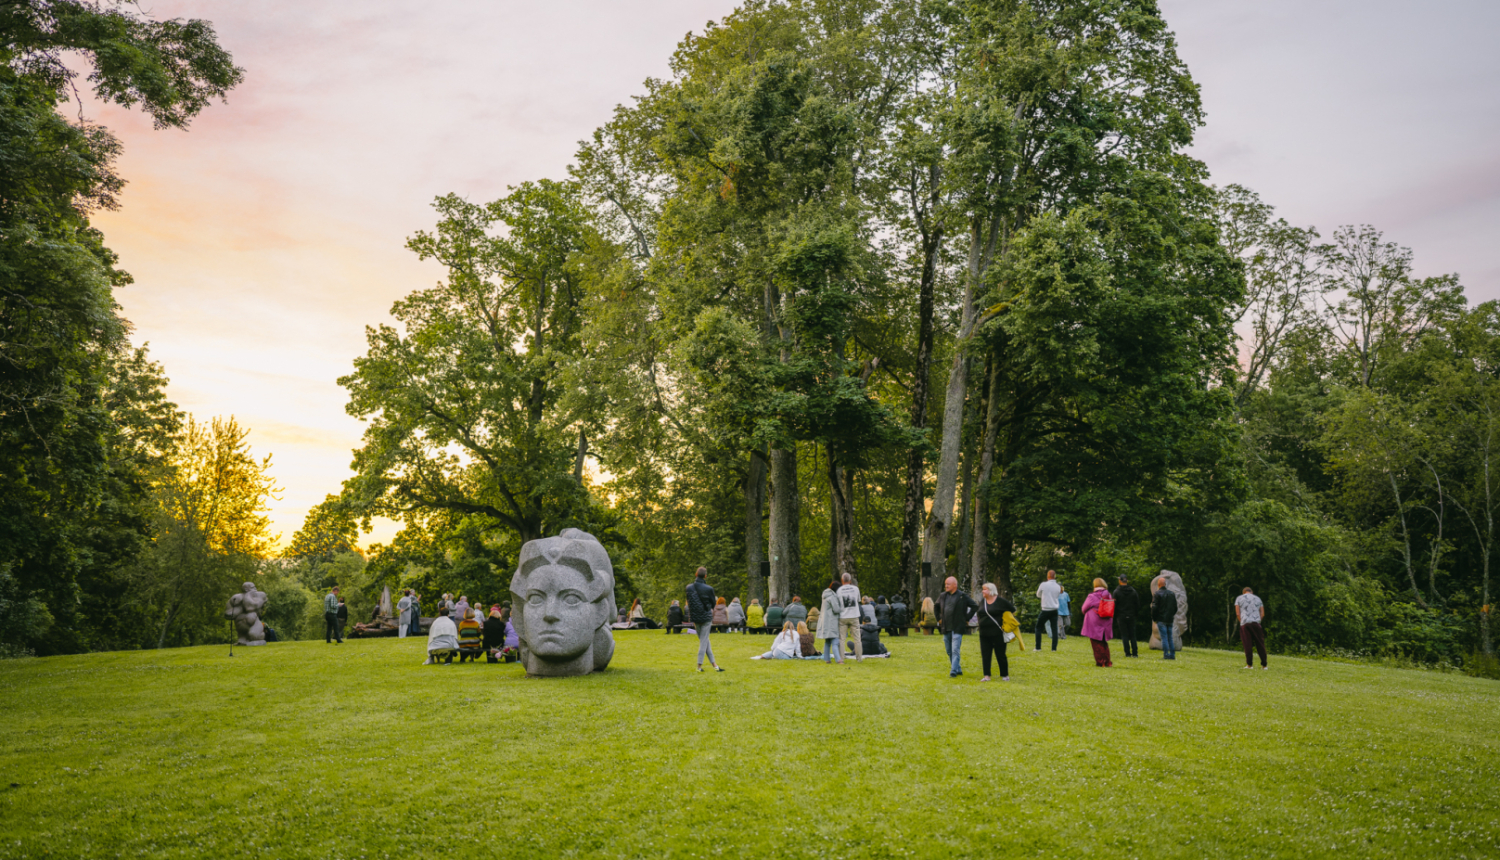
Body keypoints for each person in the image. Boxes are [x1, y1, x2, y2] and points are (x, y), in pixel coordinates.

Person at [937, 576, 978, 677]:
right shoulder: (943, 596)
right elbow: (936, 606)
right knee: (949, 650)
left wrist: (966, 618)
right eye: (945, 584)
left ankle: (953, 671)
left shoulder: (962, 596)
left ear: (955, 585)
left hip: (957, 627)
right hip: (946, 627)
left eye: (948, 584)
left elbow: (974, 606)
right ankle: (958, 668)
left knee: (955, 649)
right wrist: (938, 618)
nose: (946, 586)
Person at [685, 567, 723, 672]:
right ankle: (699, 666)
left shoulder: (688, 588)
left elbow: (689, 601)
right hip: (706, 617)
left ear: (696, 574)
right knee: (703, 642)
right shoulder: (709, 589)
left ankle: (715, 666)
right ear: (705, 576)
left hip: (695, 617)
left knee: (705, 641)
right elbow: (713, 603)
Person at [976, 583, 1016, 682]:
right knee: (985, 654)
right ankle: (986, 676)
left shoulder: (1001, 601)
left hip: (998, 633)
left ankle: (1005, 675)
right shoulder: (982, 602)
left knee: (1000, 654)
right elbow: (979, 613)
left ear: (990, 590)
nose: (982, 591)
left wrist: (1006, 622)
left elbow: (1012, 611)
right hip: (984, 633)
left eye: (984, 589)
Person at [1080, 578, 1114, 667]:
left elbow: (1084, 608)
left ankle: (1101, 662)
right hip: (1106, 622)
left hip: (1094, 622)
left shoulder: (1092, 596)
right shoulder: (1108, 595)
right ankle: (1107, 661)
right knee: (1104, 642)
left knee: (1096, 643)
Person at [1235, 586, 1268, 669]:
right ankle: (1264, 665)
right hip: (1256, 623)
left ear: (1244, 592)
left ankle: (1249, 665)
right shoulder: (1258, 599)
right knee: (1260, 644)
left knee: (1247, 644)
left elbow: (1238, 613)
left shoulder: (1239, 598)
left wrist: (1241, 622)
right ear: (1251, 592)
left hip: (1245, 623)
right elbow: (1262, 613)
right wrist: (1258, 621)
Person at [835, 574, 864, 661]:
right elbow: (858, 600)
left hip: (843, 616)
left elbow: (838, 603)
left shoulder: (839, 590)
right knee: (857, 639)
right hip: (854, 616)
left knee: (842, 639)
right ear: (850, 580)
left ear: (842, 580)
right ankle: (859, 658)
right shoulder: (856, 589)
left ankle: (841, 658)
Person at [1111, 576, 1140, 657]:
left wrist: (1115, 615)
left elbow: (1114, 605)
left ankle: (1127, 653)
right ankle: (1135, 653)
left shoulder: (1116, 592)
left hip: (1121, 615)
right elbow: (1137, 604)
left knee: (1124, 635)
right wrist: (1135, 614)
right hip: (1131, 615)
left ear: (1120, 581)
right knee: (1133, 635)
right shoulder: (1133, 591)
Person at [1151, 577, 1179, 660]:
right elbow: (1175, 607)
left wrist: (1154, 618)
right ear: (1165, 584)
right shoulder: (1171, 594)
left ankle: (1166, 654)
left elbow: (1154, 607)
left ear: (1158, 584)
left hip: (1161, 619)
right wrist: (1171, 615)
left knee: (1164, 638)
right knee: (1170, 637)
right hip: (1169, 619)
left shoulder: (1157, 594)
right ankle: (1172, 654)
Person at [817, 580, 845, 664]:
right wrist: (842, 608)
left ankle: (827, 659)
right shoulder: (832, 596)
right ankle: (838, 659)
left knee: (828, 642)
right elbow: (836, 609)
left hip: (825, 621)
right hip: (831, 621)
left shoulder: (825, 595)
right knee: (835, 641)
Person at [1035, 571, 1062, 651]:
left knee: (1038, 627)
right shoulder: (1058, 586)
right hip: (1054, 609)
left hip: (1045, 609)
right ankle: (1054, 648)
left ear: (1047, 576)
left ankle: (1038, 647)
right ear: (1055, 576)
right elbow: (1058, 595)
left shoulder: (1043, 585)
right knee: (1054, 629)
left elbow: (1038, 594)